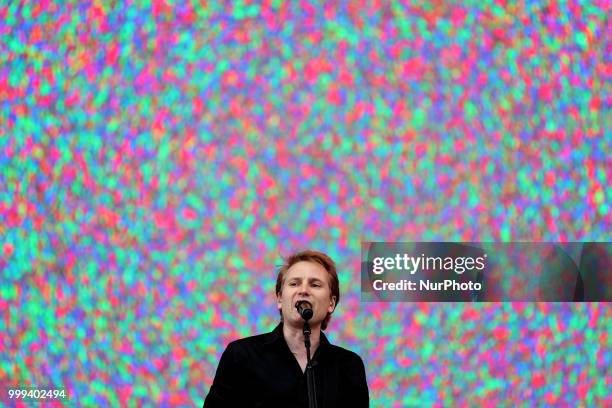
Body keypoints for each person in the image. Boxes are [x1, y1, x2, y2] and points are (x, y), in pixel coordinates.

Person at [203, 249, 369, 407]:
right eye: (294, 283)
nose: (303, 290)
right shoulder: (241, 355)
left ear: (331, 303)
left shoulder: (349, 366)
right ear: (280, 299)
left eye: (315, 285)